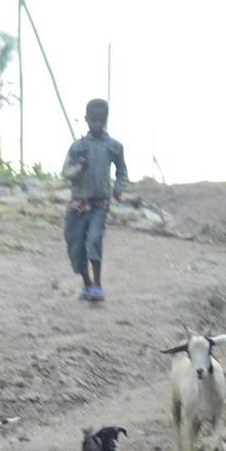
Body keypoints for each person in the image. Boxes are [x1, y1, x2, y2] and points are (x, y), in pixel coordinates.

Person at [61, 98, 128, 303]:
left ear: (106, 120)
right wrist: (79, 167)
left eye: (102, 120)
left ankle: (98, 286)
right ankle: (87, 284)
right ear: (87, 120)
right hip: (78, 204)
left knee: (94, 240)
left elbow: (122, 171)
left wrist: (118, 188)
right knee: (76, 246)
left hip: (100, 204)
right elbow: (66, 172)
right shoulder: (78, 147)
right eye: (94, 120)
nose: (98, 124)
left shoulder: (114, 146)